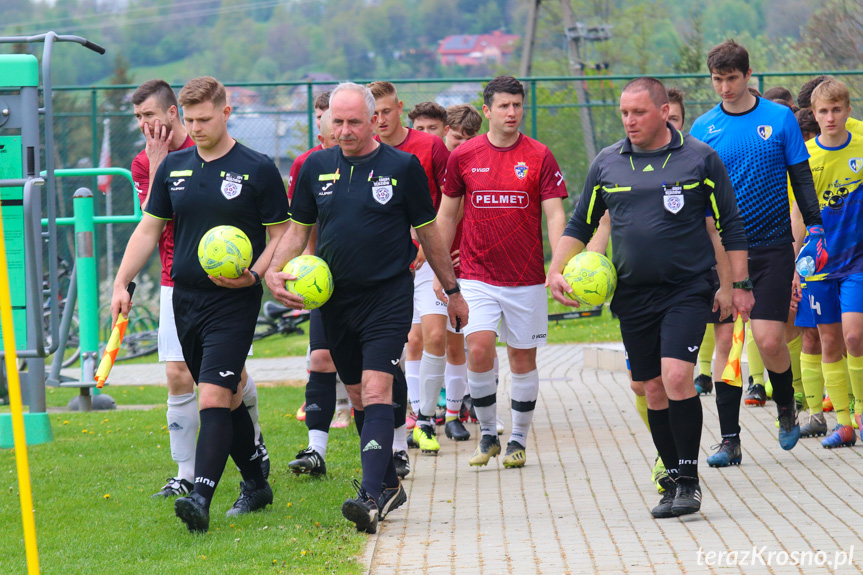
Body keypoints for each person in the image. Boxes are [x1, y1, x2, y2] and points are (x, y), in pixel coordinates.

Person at [265, 82, 468, 534]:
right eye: (337, 121)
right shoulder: (316, 167)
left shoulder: (403, 167)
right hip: (335, 301)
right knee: (357, 395)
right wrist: (273, 271)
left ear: (375, 118)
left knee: (377, 389)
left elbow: (430, 232)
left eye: (354, 121)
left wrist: (451, 290)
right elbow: (297, 231)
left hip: (387, 297)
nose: (345, 130)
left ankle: (371, 495)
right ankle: (389, 483)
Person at [548, 76, 752, 518]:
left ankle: (690, 480)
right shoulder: (607, 163)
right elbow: (580, 225)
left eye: (638, 112)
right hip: (633, 294)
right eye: (624, 113)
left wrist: (736, 286)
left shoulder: (700, 159)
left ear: (663, 111)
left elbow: (731, 227)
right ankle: (672, 479)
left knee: (678, 377)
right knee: (651, 388)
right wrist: (556, 269)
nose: (629, 121)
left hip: (686, 289)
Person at [112, 76, 290, 533]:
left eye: (204, 119)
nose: (196, 128)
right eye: (189, 120)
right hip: (185, 299)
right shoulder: (174, 168)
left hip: (234, 300)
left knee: (211, 395)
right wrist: (121, 282)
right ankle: (256, 483)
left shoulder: (257, 168)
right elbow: (148, 228)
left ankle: (201, 497)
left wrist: (255, 274)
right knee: (226, 402)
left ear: (226, 113)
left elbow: (279, 234)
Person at [690, 40, 824, 463]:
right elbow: (695, 196)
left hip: (771, 248)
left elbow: (801, 179)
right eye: (717, 80)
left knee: (768, 341)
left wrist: (816, 228)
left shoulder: (779, 118)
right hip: (723, 254)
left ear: (748, 76)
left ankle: (786, 405)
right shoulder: (703, 128)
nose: (725, 88)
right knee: (727, 341)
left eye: (731, 79)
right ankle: (730, 440)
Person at [435, 75, 568, 469]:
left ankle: (518, 440)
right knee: (477, 348)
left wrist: (557, 265)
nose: (512, 112)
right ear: (488, 109)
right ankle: (489, 433)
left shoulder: (540, 155)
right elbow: (446, 213)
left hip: (525, 277)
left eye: (517, 105)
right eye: (504, 106)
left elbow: (556, 213)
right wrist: (443, 272)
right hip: (476, 275)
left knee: (522, 360)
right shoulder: (464, 156)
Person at [367, 81, 453, 456]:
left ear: (400, 108)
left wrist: (429, 247)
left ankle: (426, 419)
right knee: (407, 343)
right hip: (385, 265)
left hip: (426, 258)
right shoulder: (362, 151)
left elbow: (452, 200)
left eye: (387, 111)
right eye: (375, 114)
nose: (381, 120)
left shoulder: (430, 147)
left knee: (435, 337)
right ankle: (411, 420)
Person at [795, 80, 863, 448]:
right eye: (823, 111)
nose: (830, 117)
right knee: (829, 342)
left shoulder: (861, 147)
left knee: (854, 335)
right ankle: (843, 423)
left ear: (847, 111)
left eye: (837, 110)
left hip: (856, 263)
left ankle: (862, 414)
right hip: (819, 265)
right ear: (814, 115)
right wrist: (796, 266)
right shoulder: (805, 157)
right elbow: (796, 215)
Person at [286, 110, 354, 478]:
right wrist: (307, 266)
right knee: (321, 357)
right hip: (325, 282)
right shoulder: (311, 166)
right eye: (329, 138)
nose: (335, 145)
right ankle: (316, 450)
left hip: (375, 287)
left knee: (375, 373)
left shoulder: (381, 164)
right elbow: (303, 225)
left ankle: (393, 450)